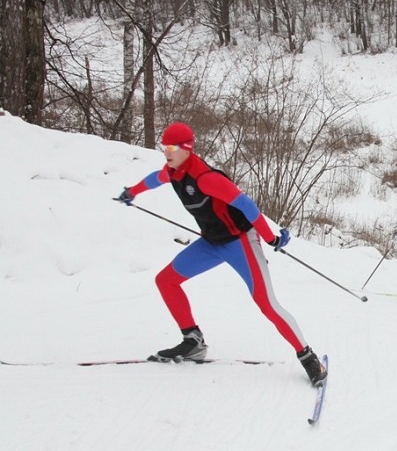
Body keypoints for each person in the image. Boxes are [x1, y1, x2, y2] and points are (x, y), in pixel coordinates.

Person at [115, 122, 326, 385]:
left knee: (266, 302)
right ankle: (192, 341)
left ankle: (308, 357)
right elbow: (153, 180)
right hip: (211, 243)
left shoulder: (207, 178)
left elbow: (248, 208)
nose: (166, 153)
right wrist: (131, 193)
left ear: (187, 148)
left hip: (241, 242)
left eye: (170, 148)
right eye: (163, 147)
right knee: (165, 280)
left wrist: (271, 237)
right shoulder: (173, 172)